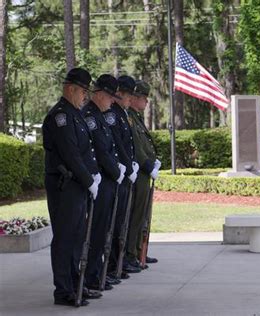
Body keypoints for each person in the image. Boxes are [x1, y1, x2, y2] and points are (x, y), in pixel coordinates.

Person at [42, 68, 102, 306]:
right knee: (65, 238)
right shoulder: (60, 117)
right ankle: (64, 289)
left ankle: (77, 283)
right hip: (64, 185)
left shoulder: (74, 114)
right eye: (82, 92)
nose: (84, 97)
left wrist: (91, 177)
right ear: (70, 89)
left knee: (77, 237)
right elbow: (70, 154)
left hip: (77, 185)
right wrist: (89, 180)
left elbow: (85, 152)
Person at [82, 74, 126, 291]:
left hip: (108, 180)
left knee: (104, 229)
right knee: (97, 230)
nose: (112, 101)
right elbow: (100, 149)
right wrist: (115, 170)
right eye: (110, 96)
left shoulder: (101, 115)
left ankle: (97, 272)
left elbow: (111, 147)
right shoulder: (90, 116)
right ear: (99, 94)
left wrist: (118, 168)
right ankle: (91, 275)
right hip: (100, 180)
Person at [105, 75, 141, 276]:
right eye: (128, 96)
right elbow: (117, 145)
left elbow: (128, 145)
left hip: (126, 173)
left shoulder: (123, 114)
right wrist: (127, 167)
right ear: (119, 94)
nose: (130, 100)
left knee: (121, 222)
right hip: (118, 174)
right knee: (114, 223)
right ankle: (113, 265)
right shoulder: (113, 115)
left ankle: (119, 262)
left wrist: (131, 165)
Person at [125, 80, 160, 270]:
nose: (146, 102)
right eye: (144, 99)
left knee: (143, 215)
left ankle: (139, 250)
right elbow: (137, 148)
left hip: (144, 173)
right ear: (135, 98)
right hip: (138, 174)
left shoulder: (136, 117)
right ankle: (130, 253)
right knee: (136, 215)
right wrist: (148, 165)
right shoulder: (129, 118)